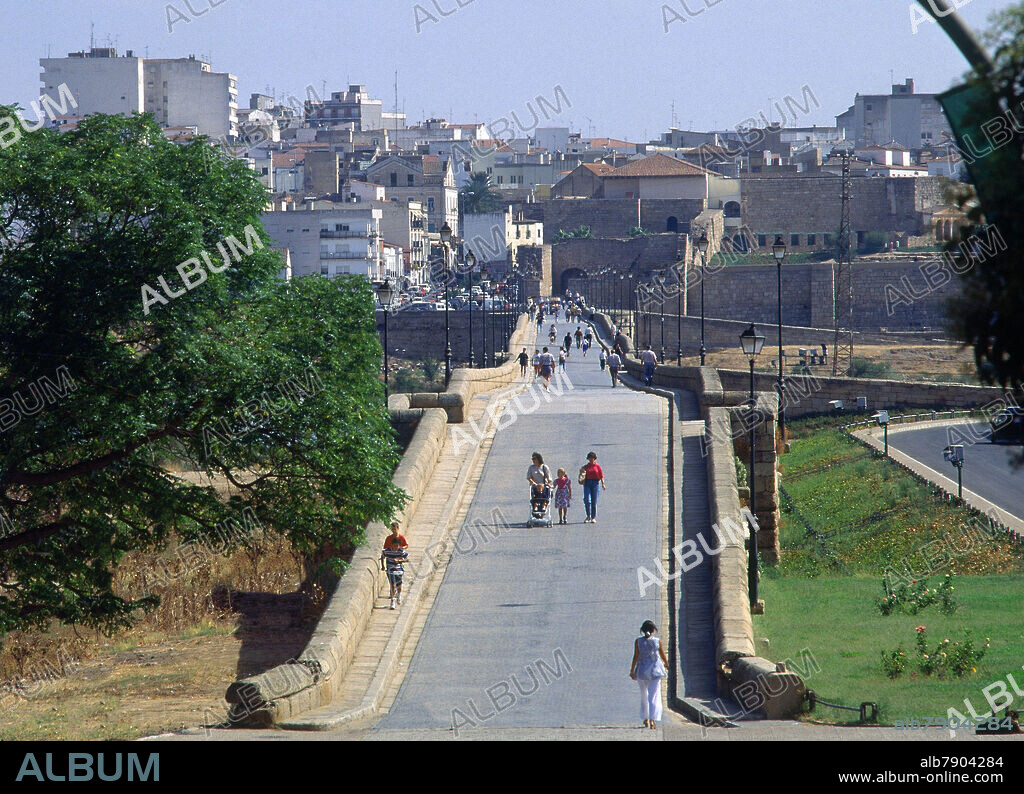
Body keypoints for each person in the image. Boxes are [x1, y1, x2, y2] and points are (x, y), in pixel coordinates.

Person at [630, 620, 669, 730]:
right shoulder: (657, 641)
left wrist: (632, 670)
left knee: (644, 695)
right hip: (655, 671)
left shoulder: (638, 641)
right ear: (653, 630)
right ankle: (652, 719)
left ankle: (646, 718)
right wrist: (666, 664)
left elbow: (636, 656)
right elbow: (662, 655)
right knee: (654, 695)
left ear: (642, 630)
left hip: (642, 671)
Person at [380, 522, 410, 610]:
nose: (393, 531)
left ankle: (399, 594)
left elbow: (406, 548)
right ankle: (392, 600)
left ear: (398, 528)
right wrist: (383, 566)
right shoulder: (389, 539)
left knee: (399, 585)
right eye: (392, 529)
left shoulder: (401, 538)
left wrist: (399, 558)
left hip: (399, 568)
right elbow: (383, 553)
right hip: (390, 568)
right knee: (392, 584)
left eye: (394, 529)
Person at [579, 451, 605, 524]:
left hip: (595, 483)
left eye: (592, 458)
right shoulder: (585, 467)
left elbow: (601, 476)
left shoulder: (597, 466)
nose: (591, 459)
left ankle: (593, 517)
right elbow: (582, 474)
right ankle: (588, 516)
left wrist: (603, 484)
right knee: (587, 500)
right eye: (589, 458)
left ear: (594, 458)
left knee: (594, 501)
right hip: (587, 483)